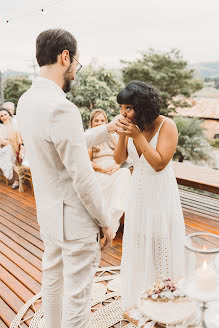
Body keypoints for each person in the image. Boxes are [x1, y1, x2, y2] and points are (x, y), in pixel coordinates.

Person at [16, 29, 120, 328]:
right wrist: (105, 220)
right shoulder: (62, 106)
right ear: (65, 57)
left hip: (49, 216)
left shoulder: (27, 101)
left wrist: (106, 129)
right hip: (75, 222)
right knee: (77, 298)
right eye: (76, 63)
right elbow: (82, 175)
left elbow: (59, 145)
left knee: (52, 283)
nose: (75, 70)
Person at [114, 80, 186, 310]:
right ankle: (142, 291)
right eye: (121, 108)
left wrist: (136, 136)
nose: (123, 113)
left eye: (128, 107)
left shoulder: (167, 125)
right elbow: (118, 160)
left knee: (160, 237)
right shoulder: (132, 126)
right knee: (140, 238)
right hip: (139, 190)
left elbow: (158, 164)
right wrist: (124, 135)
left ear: (142, 105)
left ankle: (164, 294)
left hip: (161, 191)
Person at [88, 109, 131, 237]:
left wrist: (117, 165)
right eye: (96, 120)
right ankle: (103, 221)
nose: (100, 123)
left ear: (107, 122)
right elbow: (87, 162)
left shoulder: (111, 137)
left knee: (125, 173)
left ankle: (114, 216)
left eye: (102, 120)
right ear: (91, 123)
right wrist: (103, 169)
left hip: (114, 170)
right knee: (104, 182)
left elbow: (122, 155)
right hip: (99, 170)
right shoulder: (90, 139)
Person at [0, 107, 19, 188]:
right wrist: (13, 144)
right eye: (1, 116)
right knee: (12, 152)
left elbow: (20, 137)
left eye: (5, 114)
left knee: (18, 151)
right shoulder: (0, 127)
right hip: (5, 148)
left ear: (9, 114)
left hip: (17, 146)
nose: (4, 117)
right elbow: (3, 141)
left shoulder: (15, 124)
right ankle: (17, 180)